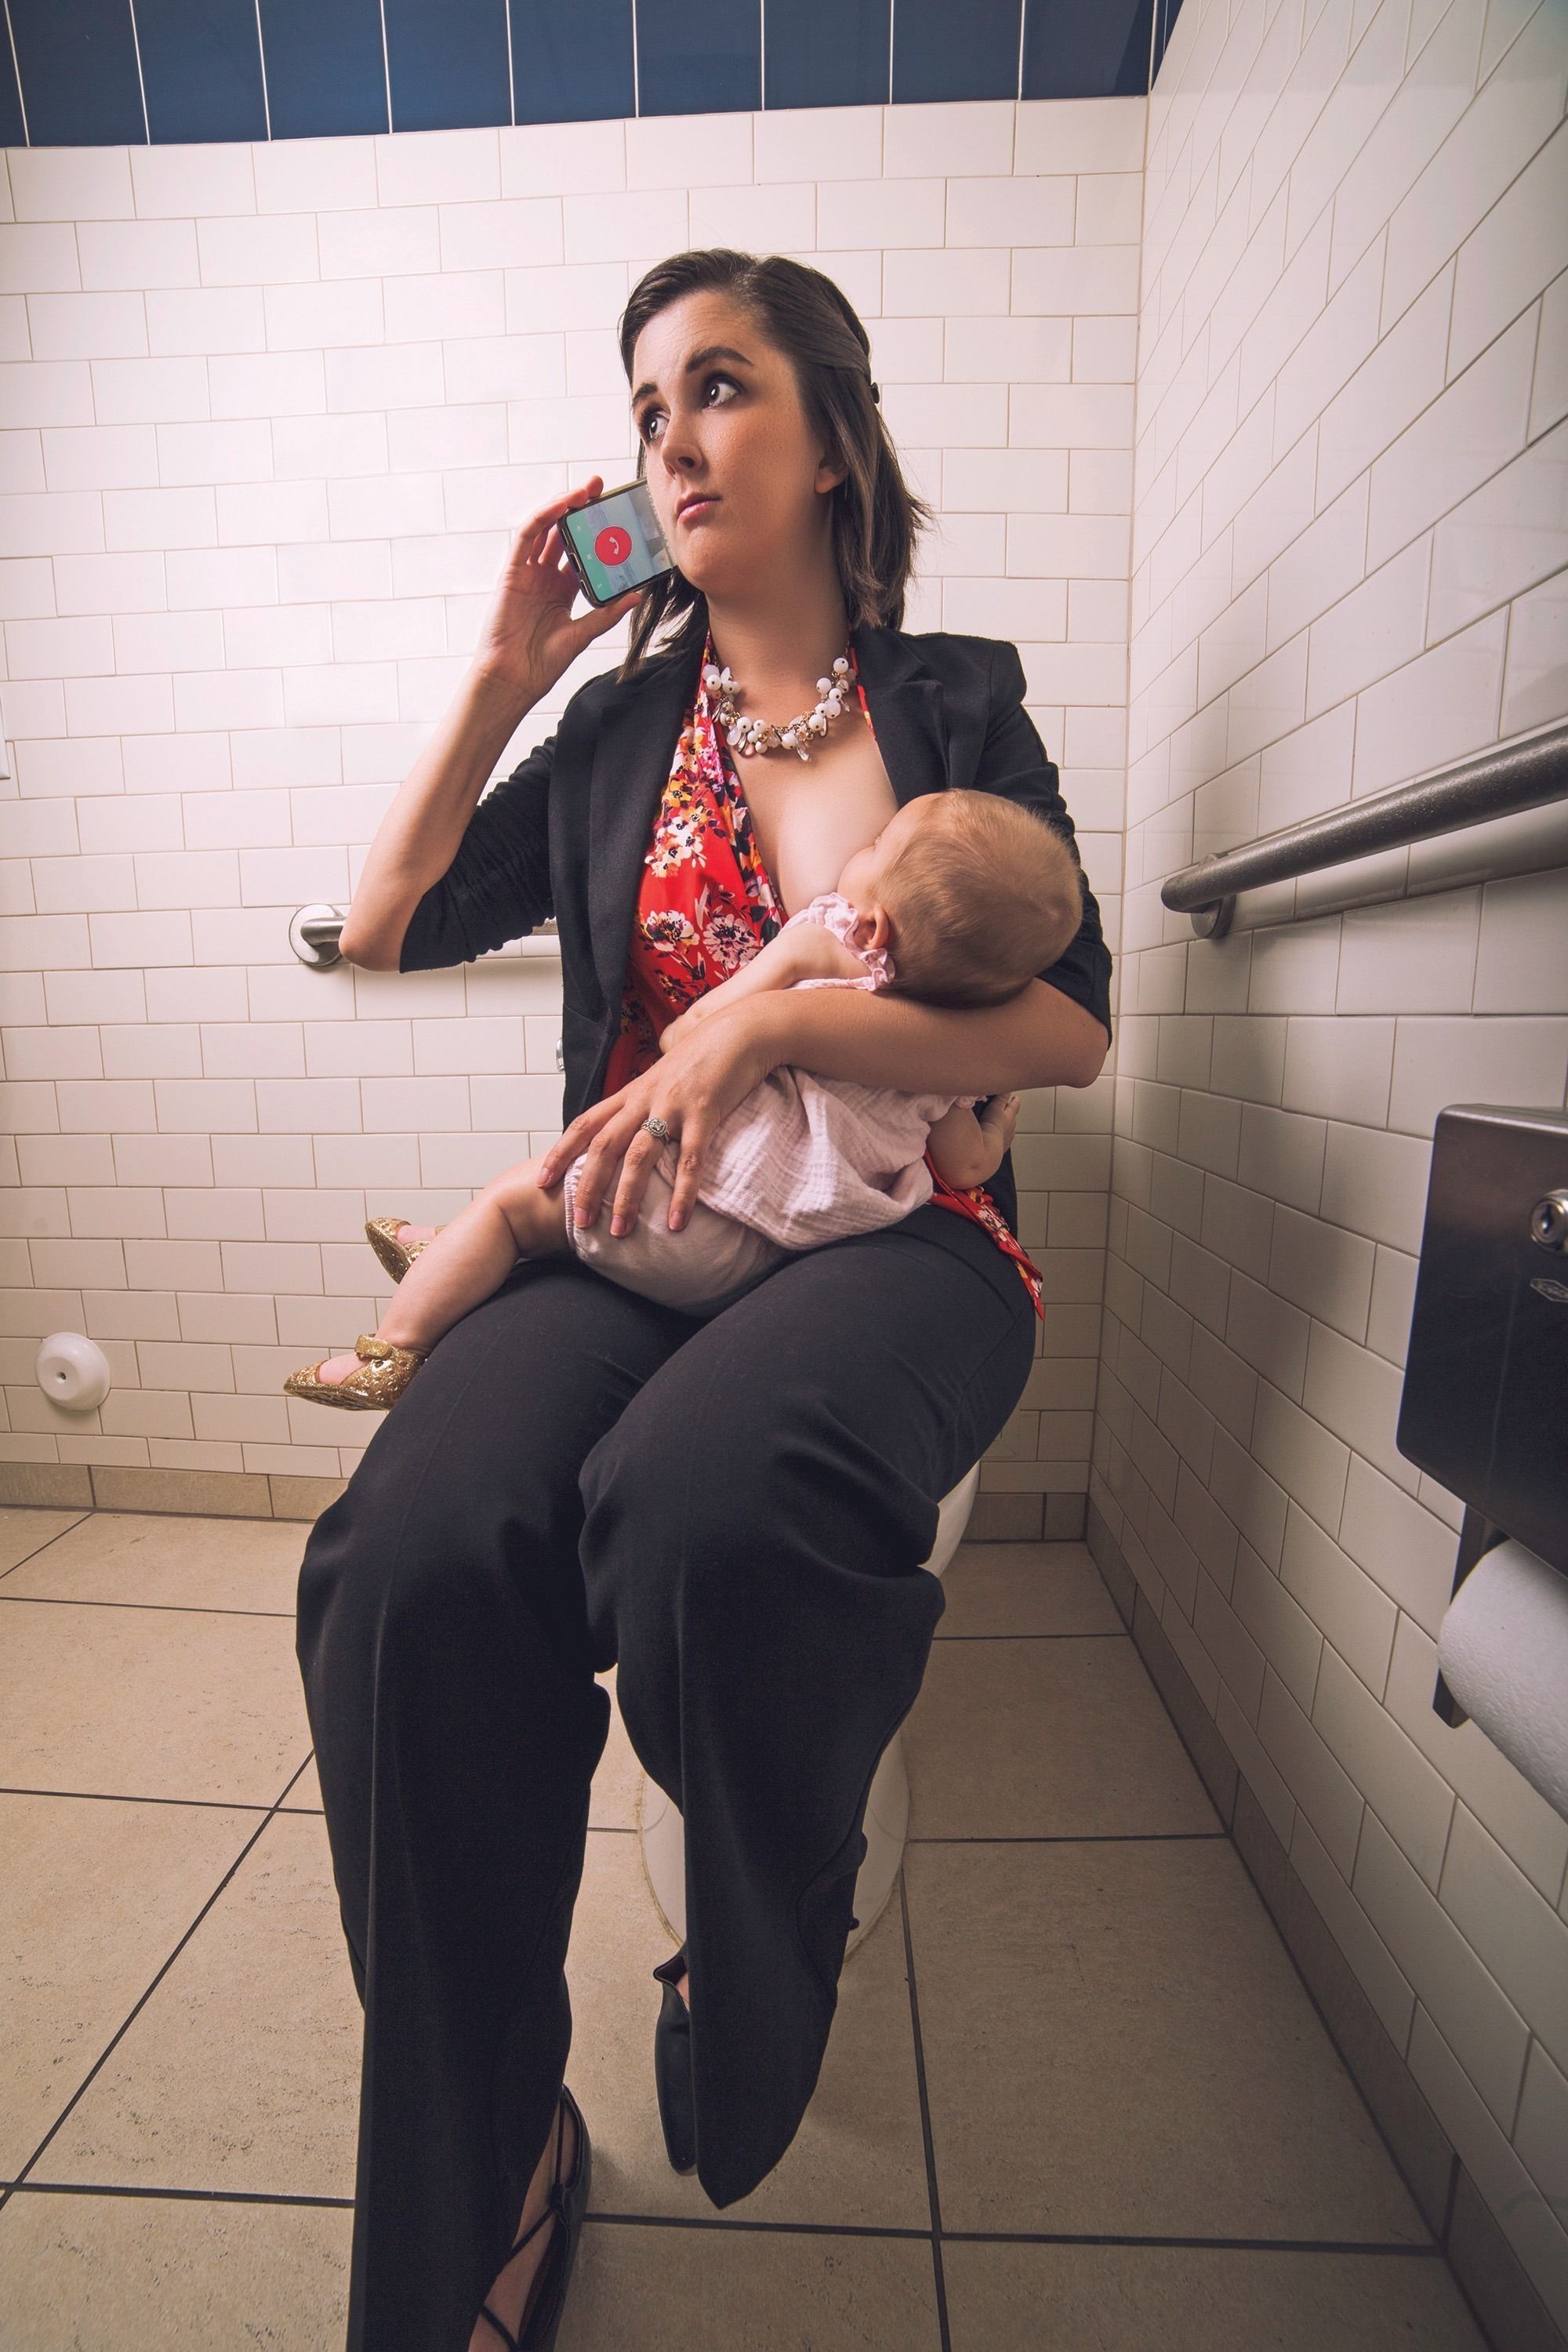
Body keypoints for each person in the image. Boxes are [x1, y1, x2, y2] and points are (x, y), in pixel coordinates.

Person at [293, 246, 1112, 2352]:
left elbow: (1065, 1036)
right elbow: (381, 925)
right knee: (404, 1554)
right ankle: (492, 2154)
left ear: (832, 443)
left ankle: (764, 1932)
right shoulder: (613, 724)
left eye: (722, 387)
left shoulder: (957, 702)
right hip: (651, 1240)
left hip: (909, 1248)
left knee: (705, 1503)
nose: (672, 433)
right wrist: (501, 669)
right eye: (648, 401)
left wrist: (765, 1041)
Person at [281, 781, 1083, 1409]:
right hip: (774, 1260)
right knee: (546, 1228)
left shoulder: (822, 945)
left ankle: (391, 1351)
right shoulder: (943, 1067)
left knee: (509, 1208)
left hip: (691, 1208)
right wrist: (1001, 1114)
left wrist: (749, 1012)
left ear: (871, 928)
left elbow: (687, 1040)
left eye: (875, 845)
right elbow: (967, 1166)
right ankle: (447, 1248)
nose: (860, 844)